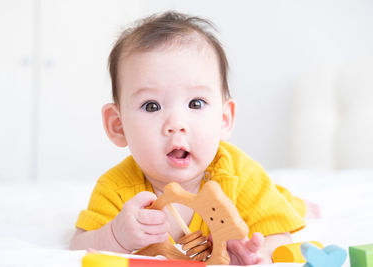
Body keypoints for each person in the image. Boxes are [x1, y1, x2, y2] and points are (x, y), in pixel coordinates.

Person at [70, 11, 310, 265]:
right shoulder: (117, 189)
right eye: (151, 106)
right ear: (118, 126)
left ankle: (300, 202)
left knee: (288, 204)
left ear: (224, 119)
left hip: (267, 194)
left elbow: (278, 234)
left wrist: (254, 255)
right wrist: (115, 236)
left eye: (196, 103)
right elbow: (78, 244)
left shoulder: (241, 175)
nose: (176, 124)